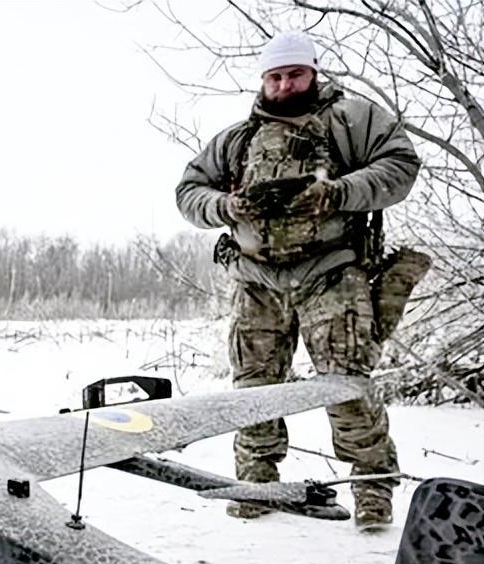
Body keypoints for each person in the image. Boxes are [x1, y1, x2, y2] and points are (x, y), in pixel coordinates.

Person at [175, 31, 424, 531]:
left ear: (312, 72)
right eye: (275, 76)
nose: (285, 85)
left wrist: (340, 192)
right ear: (264, 81)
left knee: (346, 384)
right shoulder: (236, 139)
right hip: (255, 280)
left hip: (331, 271)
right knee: (252, 388)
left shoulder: (352, 119)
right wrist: (224, 205)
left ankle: (371, 490)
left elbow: (401, 165)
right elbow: (187, 191)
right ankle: (256, 483)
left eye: (295, 74)